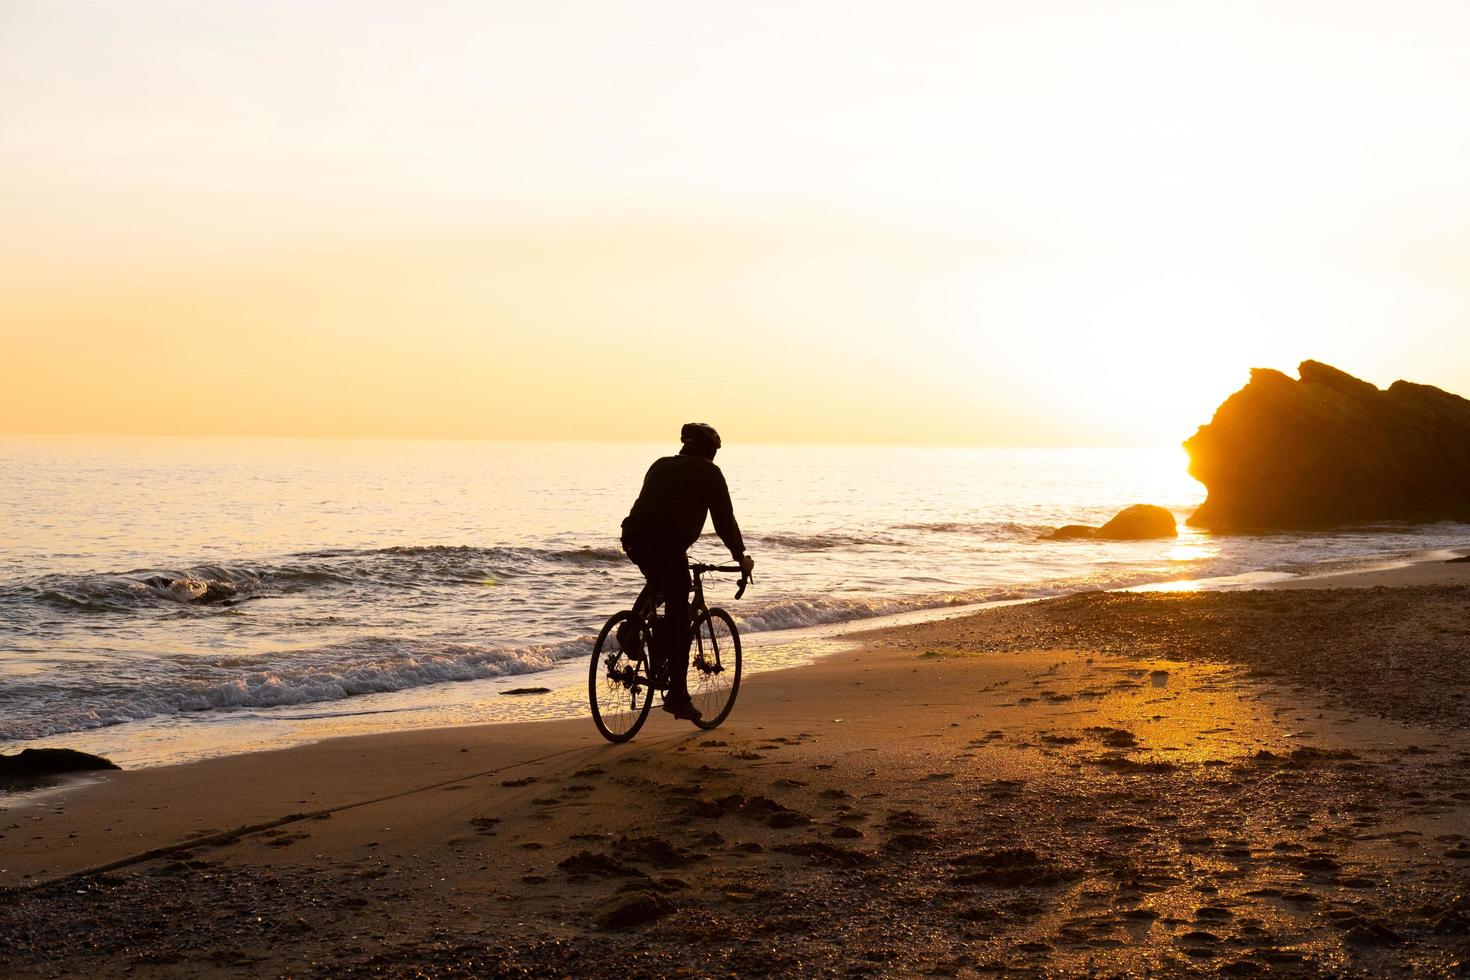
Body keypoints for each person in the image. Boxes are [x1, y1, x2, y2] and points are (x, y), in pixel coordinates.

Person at [621, 422, 755, 721]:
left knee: (661, 580)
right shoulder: (709, 472)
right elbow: (724, 522)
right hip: (666, 545)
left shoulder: (660, 465)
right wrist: (740, 556)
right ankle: (678, 696)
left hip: (633, 538)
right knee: (680, 612)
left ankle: (632, 629)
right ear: (711, 451)